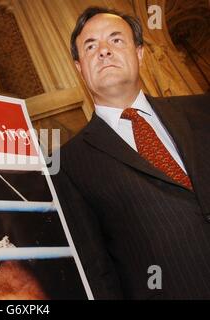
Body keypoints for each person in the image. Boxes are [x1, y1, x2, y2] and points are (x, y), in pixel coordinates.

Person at [53, 6, 210, 299]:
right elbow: (97, 269)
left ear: (139, 53)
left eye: (116, 40)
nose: (103, 51)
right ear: (79, 67)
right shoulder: (68, 164)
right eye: (90, 46)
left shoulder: (203, 110)